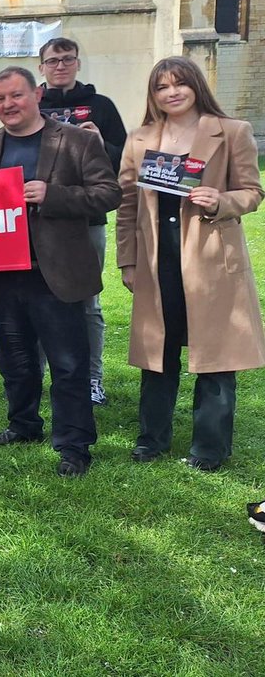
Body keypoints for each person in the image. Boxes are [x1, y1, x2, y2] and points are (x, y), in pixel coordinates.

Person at [0, 66, 119, 477]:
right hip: (0, 272)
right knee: (14, 361)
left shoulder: (77, 140)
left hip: (56, 273)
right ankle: (23, 424)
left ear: (37, 95)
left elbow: (109, 194)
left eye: (15, 96)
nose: (7, 105)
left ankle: (74, 444)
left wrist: (54, 195)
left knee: (68, 364)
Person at [116, 56, 265, 472]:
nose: (172, 92)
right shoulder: (139, 139)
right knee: (156, 353)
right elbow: (127, 206)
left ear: (196, 85)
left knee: (215, 356)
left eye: (179, 84)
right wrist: (127, 260)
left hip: (211, 261)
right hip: (156, 259)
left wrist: (222, 201)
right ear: (154, 95)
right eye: (162, 87)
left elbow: (253, 191)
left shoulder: (232, 131)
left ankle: (210, 449)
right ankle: (151, 439)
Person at [38, 37, 128, 405]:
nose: (60, 66)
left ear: (77, 63)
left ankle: (92, 379)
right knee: (39, 299)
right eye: (53, 60)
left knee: (87, 302)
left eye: (67, 59)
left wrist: (102, 144)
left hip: (87, 220)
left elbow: (125, 163)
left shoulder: (100, 106)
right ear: (40, 66)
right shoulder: (32, 105)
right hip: (39, 220)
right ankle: (38, 375)